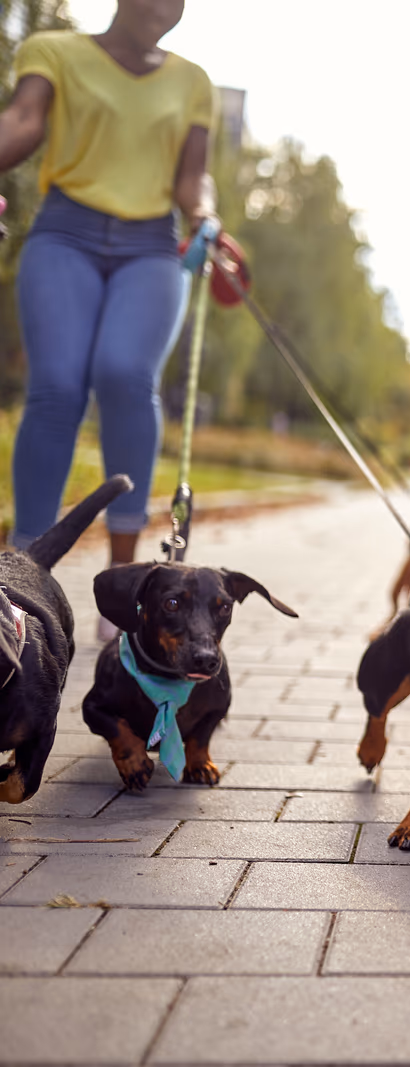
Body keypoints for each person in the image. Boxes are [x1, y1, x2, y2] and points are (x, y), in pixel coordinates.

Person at [0, 0, 215, 640]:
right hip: (64, 233)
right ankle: (15, 576)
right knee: (58, 386)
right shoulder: (54, 50)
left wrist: (208, 215)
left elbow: (193, 178)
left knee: (124, 375)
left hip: (152, 244)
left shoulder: (192, 81)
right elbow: (23, 118)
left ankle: (127, 594)